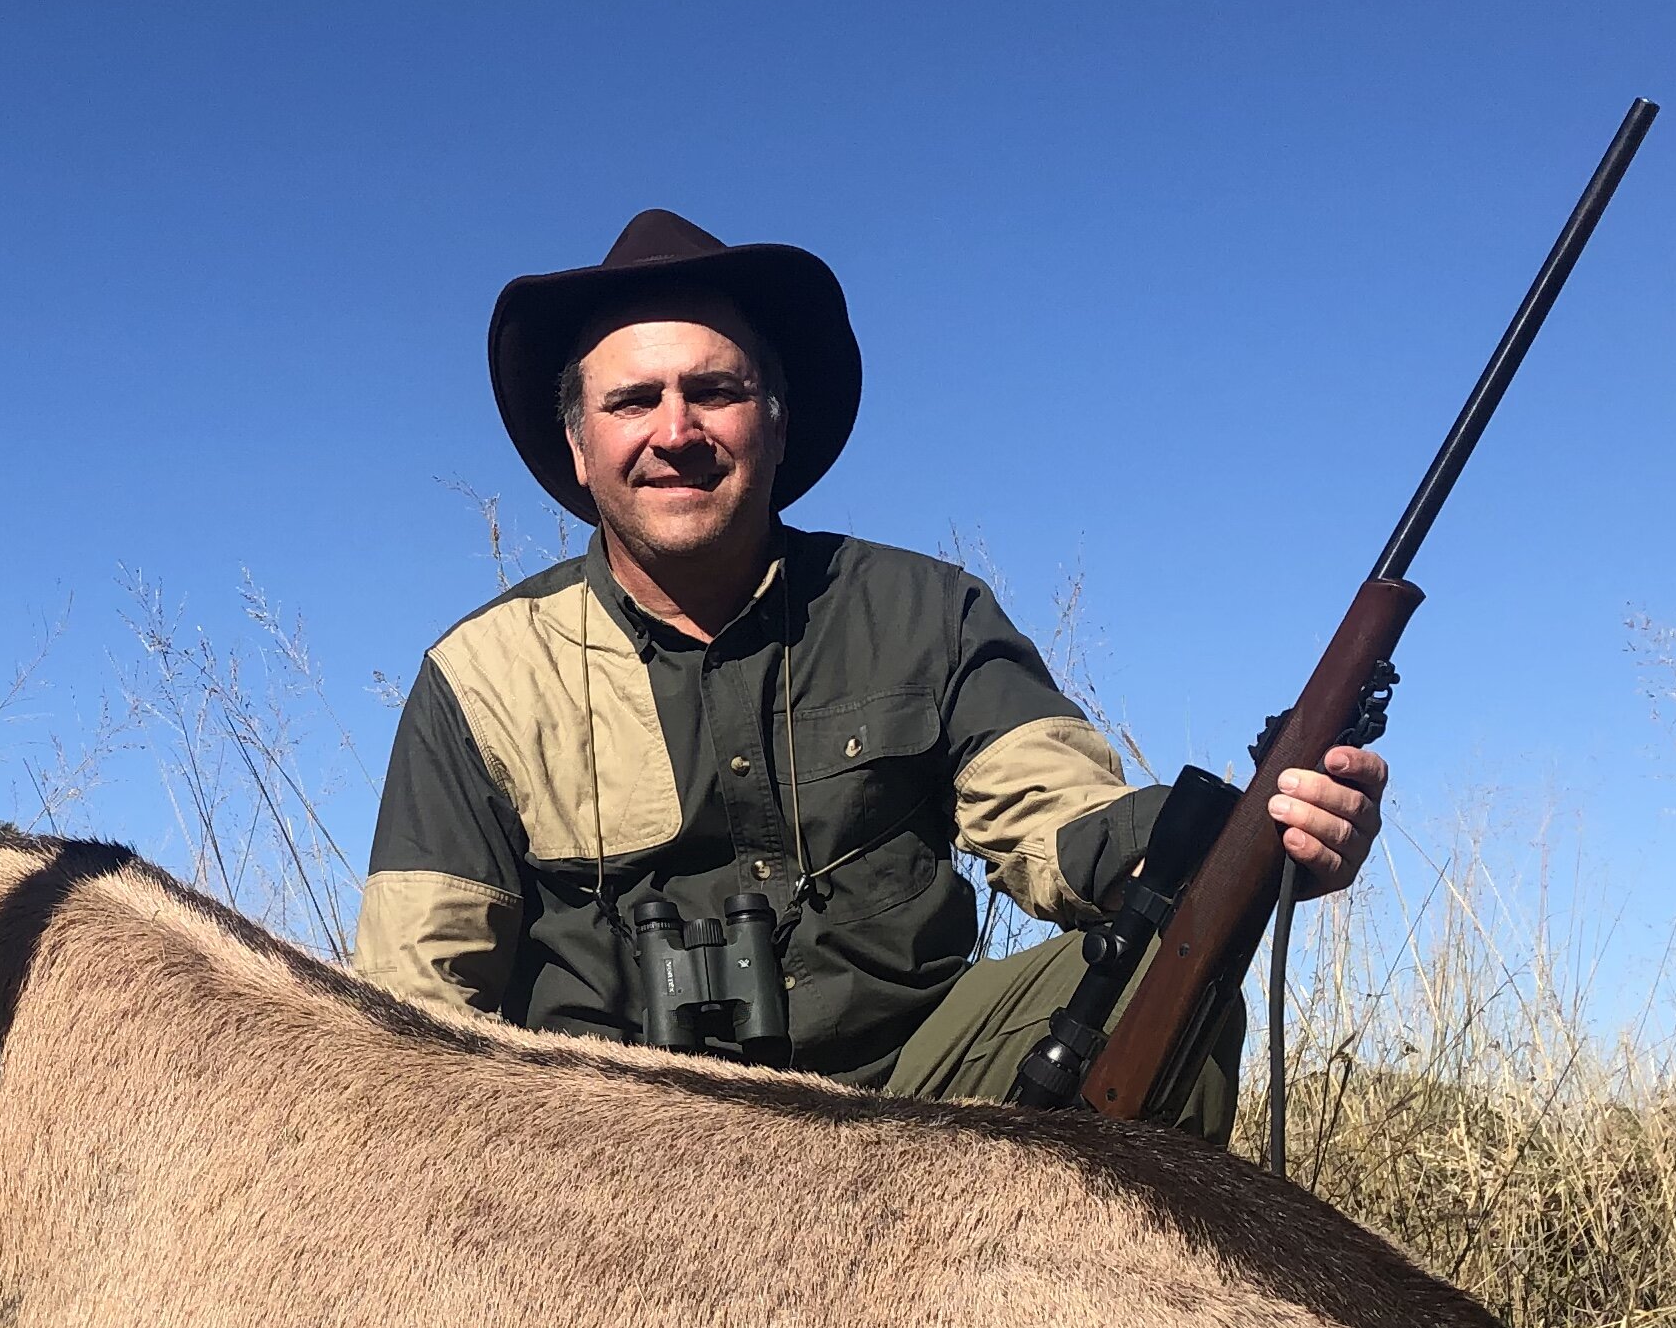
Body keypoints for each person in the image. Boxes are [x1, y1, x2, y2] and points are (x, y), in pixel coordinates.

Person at [350, 209, 1388, 1134]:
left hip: (905, 1112)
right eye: (634, 402)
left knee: (1174, 969)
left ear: (776, 418)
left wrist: (1248, 840)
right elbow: (415, 1000)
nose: (677, 432)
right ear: (579, 446)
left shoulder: (925, 611)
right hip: (612, 1145)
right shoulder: (481, 674)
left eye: (716, 391)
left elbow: (1060, 822)